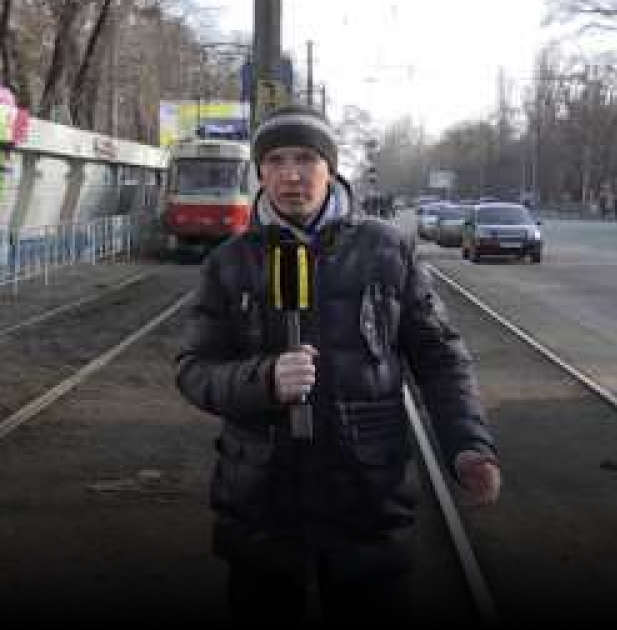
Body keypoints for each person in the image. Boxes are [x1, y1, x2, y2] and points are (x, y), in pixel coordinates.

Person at [175, 105, 501, 627]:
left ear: (330, 167)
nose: (291, 174)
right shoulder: (229, 261)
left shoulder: (387, 250)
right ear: (260, 172)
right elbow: (193, 368)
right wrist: (262, 380)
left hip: (369, 502)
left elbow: (440, 356)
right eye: (276, 160)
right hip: (261, 505)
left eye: (306, 158)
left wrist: (467, 444)